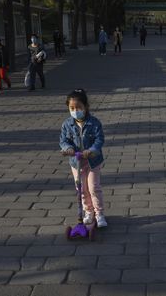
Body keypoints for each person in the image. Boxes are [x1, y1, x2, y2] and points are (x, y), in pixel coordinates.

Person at [60, 89, 107, 228]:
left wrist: (91, 150)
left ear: (86, 107)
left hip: (92, 161)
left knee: (93, 187)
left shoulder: (94, 123)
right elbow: (63, 140)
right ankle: (88, 212)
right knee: (81, 189)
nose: (75, 110)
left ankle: (99, 214)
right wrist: (67, 149)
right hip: (76, 162)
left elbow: (100, 139)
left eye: (79, 107)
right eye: (72, 108)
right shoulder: (67, 124)